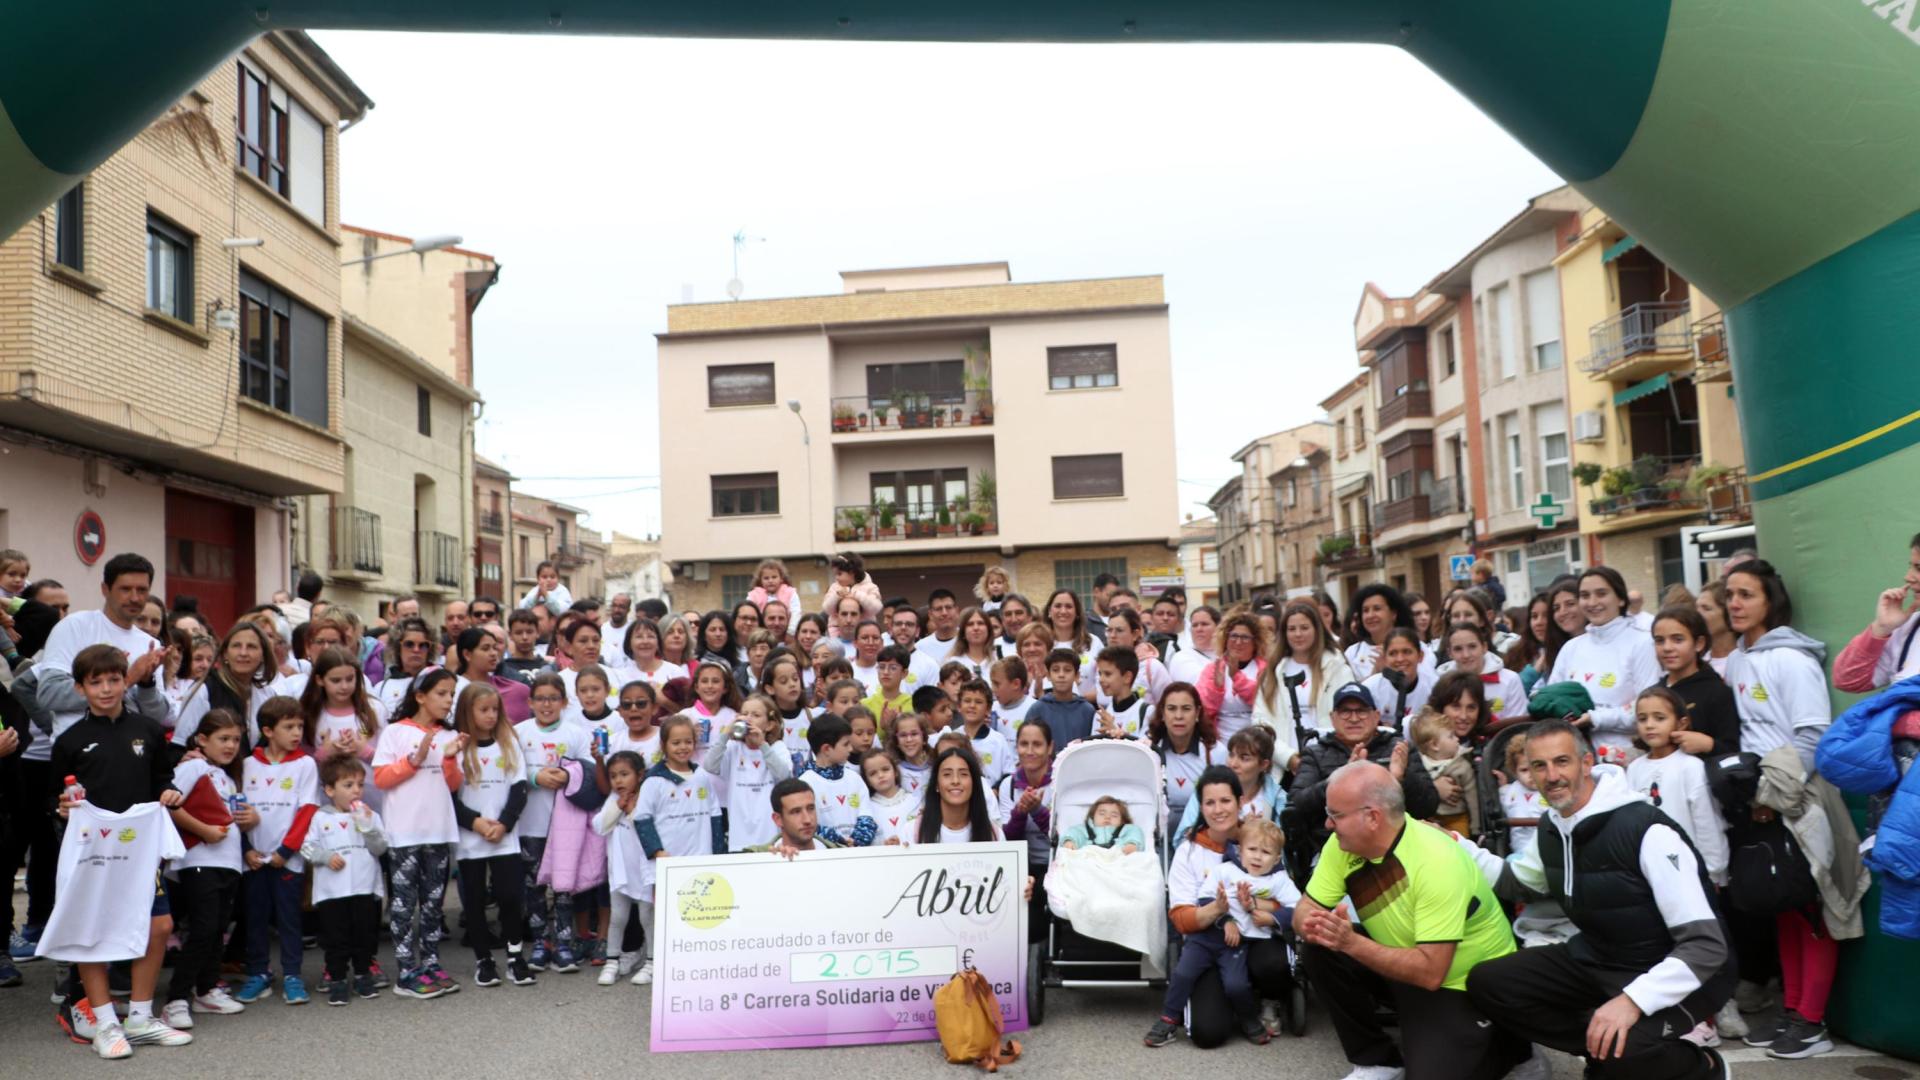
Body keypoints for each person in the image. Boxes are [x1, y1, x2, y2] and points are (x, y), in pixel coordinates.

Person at [1459, 719, 1734, 1080]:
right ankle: (1603, 1049)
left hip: (1684, 971)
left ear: (1586, 763)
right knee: (1490, 983)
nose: (1551, 775)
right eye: (1539, 765)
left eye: (1562, 761)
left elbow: (1705, 946)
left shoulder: (1646, 830)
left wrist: (1633, 1001)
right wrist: (1459, 848)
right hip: (1601, 959)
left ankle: (1705, 1068)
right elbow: (1518, 883)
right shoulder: (1553, 824)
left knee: (1627, 1049)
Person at [1295, 761, 1530, 1080]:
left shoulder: (1437, 860)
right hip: (1406, 966)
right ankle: (1377, 1060)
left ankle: (1516, 1049)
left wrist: (1350, 942)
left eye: (1335, 815)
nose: (1328, 823)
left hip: (1461, 985)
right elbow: (1304, 911)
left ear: (1372, 817)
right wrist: (1313, 925)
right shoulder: (1342, 845)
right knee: (1318, 949)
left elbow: (1431, 972)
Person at [45, 643, 193, 1057]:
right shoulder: (70, 741)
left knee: (159, 927)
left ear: (124, 680)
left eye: (114, 679)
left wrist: (169, 791)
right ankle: (106, 1023)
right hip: (91, 852)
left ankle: (142, 1018)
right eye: (96, 682)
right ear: (80, 689)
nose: (107, 689)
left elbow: (164, 776)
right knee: (91, 933)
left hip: (140, 850)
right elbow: (53, 799)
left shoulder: (146, 729)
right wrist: (60, 808)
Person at [1154, 766, 1292, 1049]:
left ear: (1240, 802)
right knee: (1208, 1034)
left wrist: (1255, 904)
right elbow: (1181, 918)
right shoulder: (1189, 851)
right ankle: (1227, 1000)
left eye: (1226, 800)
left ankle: (1268, 999)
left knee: (1272, 962)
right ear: (1200, 806)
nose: (1218, 810)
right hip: (1212, 937)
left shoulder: (1259, 840)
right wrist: (1220, 910)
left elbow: (1283, 892)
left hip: (1257, 935)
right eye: (1210, 802)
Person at [371, 668, 467, 1000]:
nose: (448, 700)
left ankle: (430, 962)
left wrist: (450, 759)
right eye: (442, 693)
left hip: (439, 830)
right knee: (403, 902)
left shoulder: (447, 736)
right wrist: (415, 759)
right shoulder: (395, 732)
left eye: (452, 694)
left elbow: (454, 785)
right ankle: (405, 970)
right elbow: (381, 778)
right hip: (405, 833)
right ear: (420, 695)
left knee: (432, 904)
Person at [163, 710, 252, 1027]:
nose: (230, 746)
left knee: (217, 931)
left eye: (236, 740)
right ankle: (176, 998)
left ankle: (206, 989)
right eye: (223, 739)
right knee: (202, 930)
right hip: (199, 861)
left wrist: (249, 819)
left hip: (228, 864)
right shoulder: (194, 767)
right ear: (202, 739)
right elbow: (169, 803)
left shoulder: (226, 777)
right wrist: (203, 830)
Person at [235, 697, 321, 1005]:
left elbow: (308, 809)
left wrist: (286, 851)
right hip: (254, 860)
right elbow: (236, 811)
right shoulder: (246, 764)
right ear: (268, 731)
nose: (297, 732)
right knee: (255, 918)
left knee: (289, 919)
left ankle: (294, 975)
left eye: (300, 725)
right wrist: (245, 849)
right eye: (289, 726)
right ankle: (259, 972)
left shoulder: (305, 764)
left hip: (288, 859)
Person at [1287, 683, 1438, 855]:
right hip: (1332, 848)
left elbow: (1429, 805)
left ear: (1376, 716)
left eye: (1361, 711)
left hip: (1397, 848)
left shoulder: (1398, 748)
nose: (1353, 718)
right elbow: (1295, 806)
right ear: (1332, 717)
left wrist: (1401, 779)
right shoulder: (1315, 753)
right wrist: (1339, 779)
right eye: (1345, 711)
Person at [451, 683, 531, 990]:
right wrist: (476, 823)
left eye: (494, 709)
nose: (490, 715)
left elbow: (519, 788)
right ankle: (483, 960)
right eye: (483, 710)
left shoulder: (507, 742)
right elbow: (448, 795)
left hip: (503, 836)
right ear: (467, 712)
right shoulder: (456, 747)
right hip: (471, 838)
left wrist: (504, 823)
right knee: (473, 901)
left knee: (511, 897)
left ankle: (514, 957)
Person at [302, 756, 391, 1004]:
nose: (356, 791)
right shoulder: (321, 818)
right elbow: (307, 848)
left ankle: (363, 975)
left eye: (360, 785)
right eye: (348, 785)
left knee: (364, 935)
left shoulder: (369, 816)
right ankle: (338, 979)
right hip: (333, 892)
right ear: (330, 790)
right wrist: (326, 856)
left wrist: (367, 827)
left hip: (364, 887)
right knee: (335, 938)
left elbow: (381, 848)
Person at [1546, 567, 1658, 764]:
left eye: (1601, 594)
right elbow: (1550, 701)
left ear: (1621, 599)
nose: (1592, 602)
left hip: (1628, 763)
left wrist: (1595, 718)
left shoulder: (1642, 643)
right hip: (1577, 763)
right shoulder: (1571, 648)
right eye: (1585, 595)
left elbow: (1648, 710)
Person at [593, 750, 656, 986]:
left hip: (645, 873)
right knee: (618, 917)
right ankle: (612, 961)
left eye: (624, 774)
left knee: (646, 917)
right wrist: (618, 806)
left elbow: (647, 828)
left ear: (639, 775)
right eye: (613, 776)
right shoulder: (612, 800)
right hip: (619, 873)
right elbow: (600, 826)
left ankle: (651, 961)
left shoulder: (648, 798)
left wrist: (631, 811)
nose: (618, 781)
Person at [1833, 531, 1920, 695]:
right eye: (1911, 566)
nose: (1908, 577)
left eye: (1919, 567)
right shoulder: (1909, 629)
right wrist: (1881, 628)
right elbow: (1847, 680)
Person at [1648, 606, 1740, 756]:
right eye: (1659, 641)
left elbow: (1734, 750)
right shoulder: (1655, 692)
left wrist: (1709, 745)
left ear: (1699, 644)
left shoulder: (1716, 692)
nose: (1667, 647)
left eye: (1678, 639)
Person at [1199, 613, 1266, 742]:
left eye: (1245, 637)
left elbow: (1263, 701)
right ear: (1225, 639)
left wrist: (1236, 676)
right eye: (1234, 636)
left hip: (1256, 740)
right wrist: (1216, 689)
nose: (1238, 642)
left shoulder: (1264, 669)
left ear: (1255, 642)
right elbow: (1203, 710)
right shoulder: (1213, 669)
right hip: (1220, 741)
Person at [1411, 708, 1477, 835]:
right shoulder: (1418, 765)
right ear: (1435, 745)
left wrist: (1476, 829)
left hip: (1457, 818)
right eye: (1451, 736)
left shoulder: (1462, 766)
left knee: (1459, 846)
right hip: (1428, 819)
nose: (1457, 739)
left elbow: (1472, 799)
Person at [1030, 647, 1097, 748]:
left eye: (1067, 670)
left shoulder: (1087, 710)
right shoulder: (1037, 709)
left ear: (1077, 676)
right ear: (1048, 675)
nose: (1061, 675)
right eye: (1056, 670)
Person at [1063, 794, 1145, 853]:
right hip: (1089, 863)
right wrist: (1070, 841)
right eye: (1102, 814)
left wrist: (1132, 844)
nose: (1107, 817)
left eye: (1114, 815)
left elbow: (1134, 832)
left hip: (1117, 863)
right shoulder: (1084, 830)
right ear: (1092, 817)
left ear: (1122, 820)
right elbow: (1075, 833)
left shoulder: (1125, 830)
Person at [820, 552, 883, 620]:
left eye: (839, 574)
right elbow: (827, 609)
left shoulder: (870, 587)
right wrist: (836, 596)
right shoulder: (835, 588)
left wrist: (857, 595)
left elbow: (876, 608)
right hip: (838, 628)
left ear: (852, 572)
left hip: (863, 628)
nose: (836, 578)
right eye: (835, 574)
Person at [916, 588, 961, 664]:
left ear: (957, 610)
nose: (944, 613)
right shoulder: (921, 647)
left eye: (948, 607)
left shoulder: (968, 640)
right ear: (930, 614)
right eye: (938, 609)